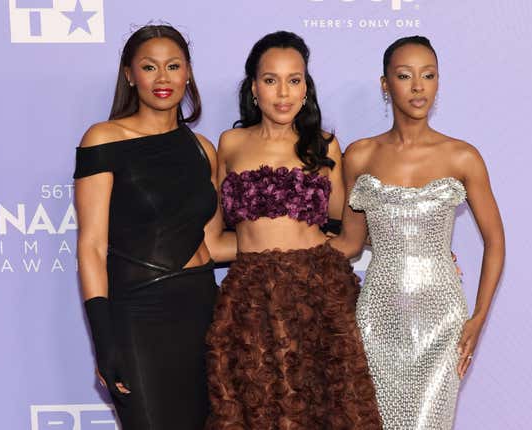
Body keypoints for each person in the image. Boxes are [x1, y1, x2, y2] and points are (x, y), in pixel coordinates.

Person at [205, 31, 382, 429]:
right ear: (253, 88)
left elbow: (352, 236)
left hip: (319, 293)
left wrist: (412, 245)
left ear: (306, 87)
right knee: (259, 407)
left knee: (328, 409)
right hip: (249, 298)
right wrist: (263, 256)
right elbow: (213, 243)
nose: (283, 92)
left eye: (294, 79)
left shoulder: (324, 146)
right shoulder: (229, 144)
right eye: (271, 80)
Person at [330, 36, 506, 429]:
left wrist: (478, 317)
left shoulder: (463, 156)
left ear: (438, 82)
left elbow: (496, 241)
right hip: (376, 318)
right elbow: (351, 241)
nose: (418, 87)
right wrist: (285, 250)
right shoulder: (360, 155)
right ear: (384, 84)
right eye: (405, 75)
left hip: (442, 320)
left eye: (428, 75)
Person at [74, 24, 234, 429]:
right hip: (139, 315)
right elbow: (91, 247)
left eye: (173, 66)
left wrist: (292, 239)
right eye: (149, 67)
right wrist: (104, 342)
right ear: (130, 74)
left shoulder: (203, 149)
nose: (163, 78)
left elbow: (213, 243)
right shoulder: (102, 140)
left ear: (188, 73)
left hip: (202, 310)